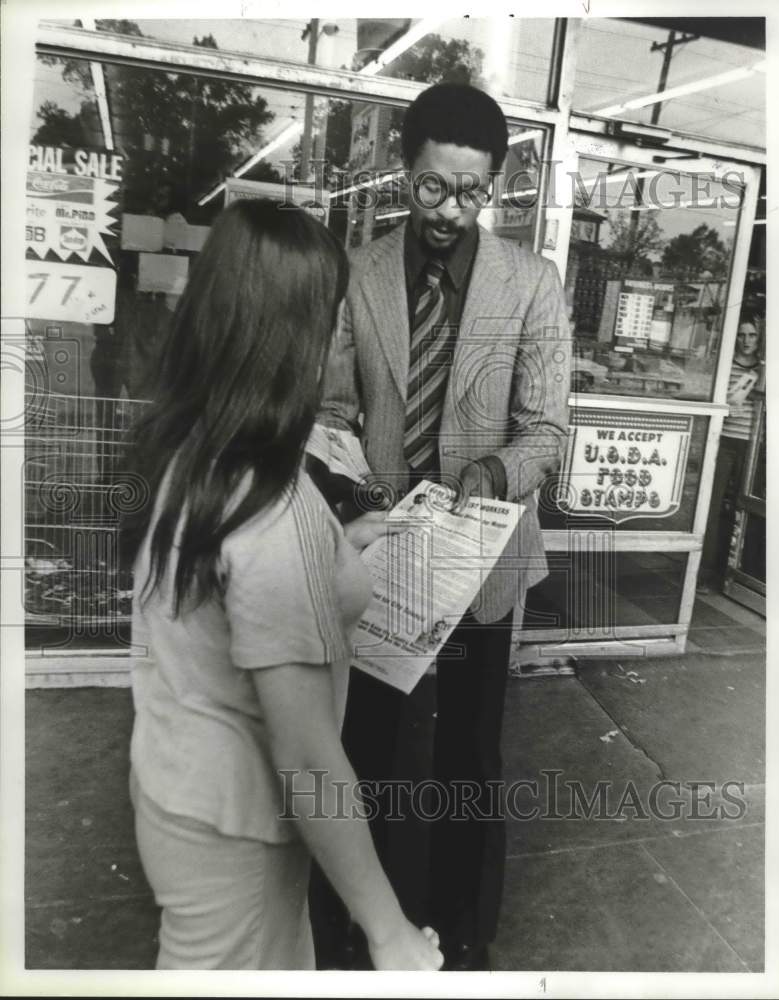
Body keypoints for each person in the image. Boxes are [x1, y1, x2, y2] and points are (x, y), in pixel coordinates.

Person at [122, 198, 443, 971]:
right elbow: (306, 756)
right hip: (239, 819)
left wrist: (339, 549)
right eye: (334, 317)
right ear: (294, 334)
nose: (343, 338)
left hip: (176, 782)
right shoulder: (278, 509)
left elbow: (226, 602)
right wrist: (389, 930)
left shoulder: (194, 451)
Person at [311, 83, 571, 970]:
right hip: (383, 553)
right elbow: (334, 412)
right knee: (367, 746)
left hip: (483, 558)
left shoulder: (531, 284)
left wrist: (489, 476)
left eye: (472, 191)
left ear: (491, 184)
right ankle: (365, 926)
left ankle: (464, 934)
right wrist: (358, 505)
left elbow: (545, 429)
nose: (451, 211)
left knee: (467, 752)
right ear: (403, 171)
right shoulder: (358, 272)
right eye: (433, 188)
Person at [699, 314, 764, 592]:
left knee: (741, 509)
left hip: (751, 445)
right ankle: (706, 570)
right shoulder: (726, 365)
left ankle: (729, 573)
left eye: (752, 335)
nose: (746, 341)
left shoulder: (764, 368)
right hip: (724, 440)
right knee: (713, 506)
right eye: (742, 335)